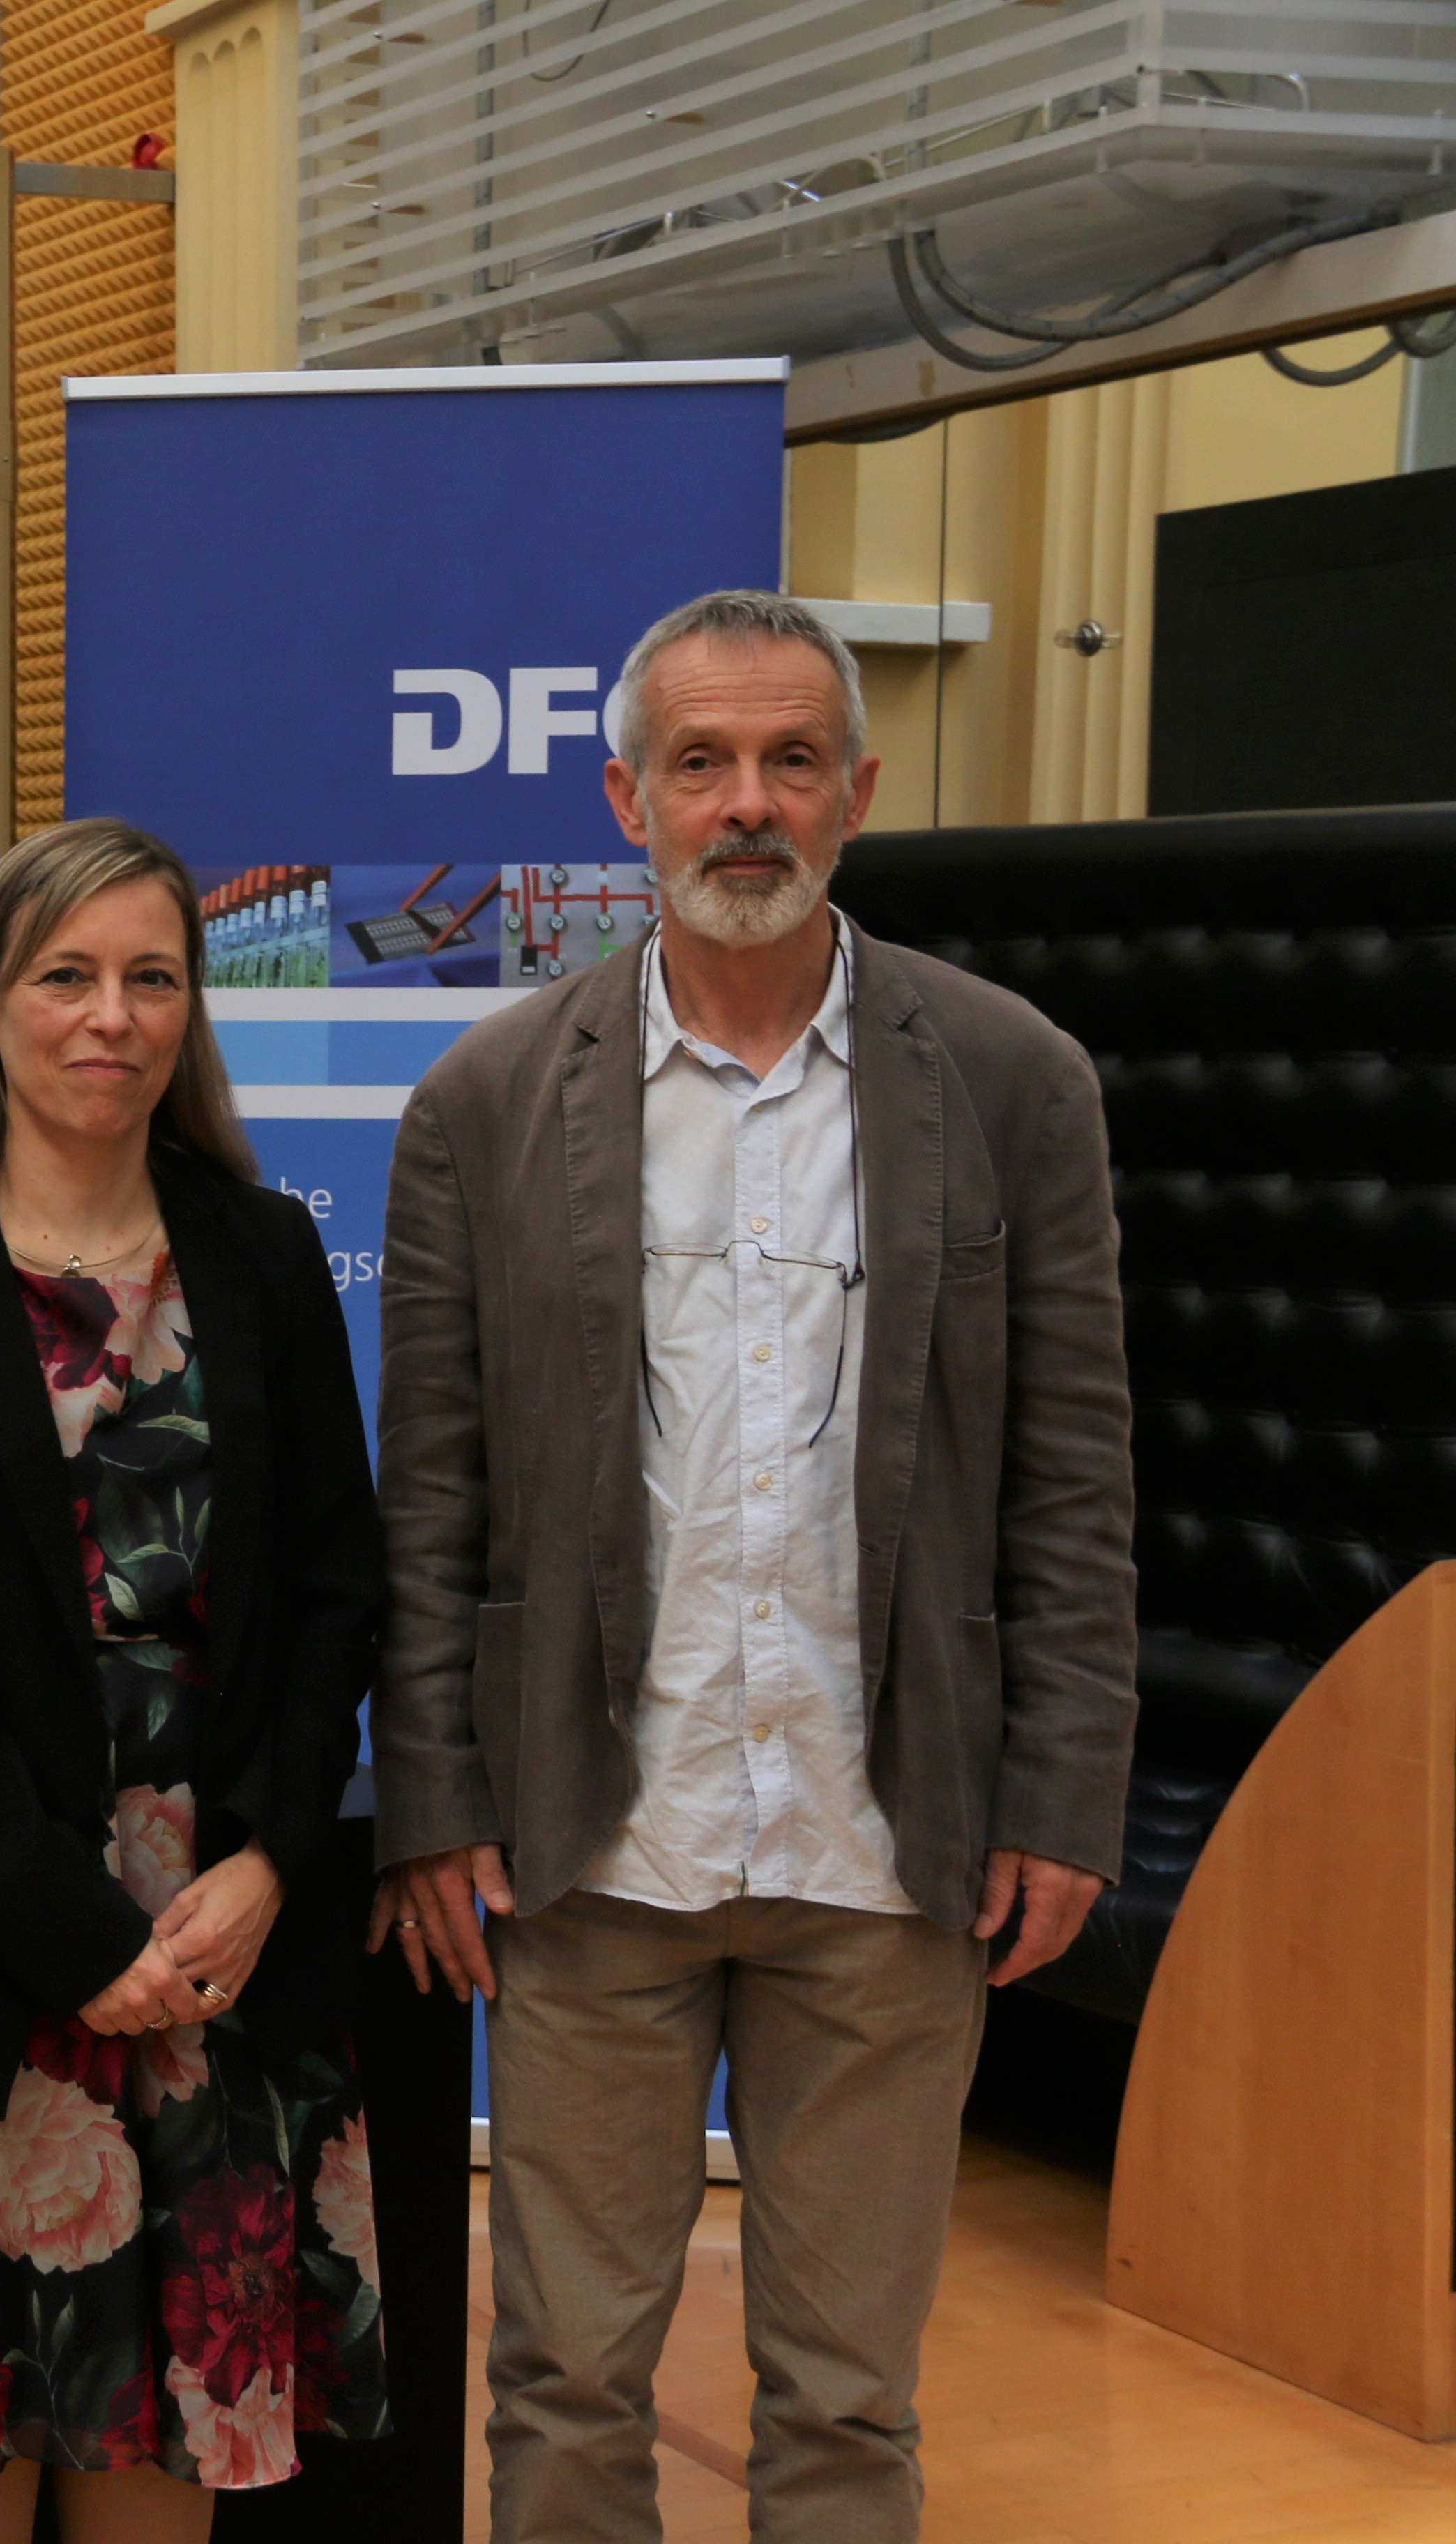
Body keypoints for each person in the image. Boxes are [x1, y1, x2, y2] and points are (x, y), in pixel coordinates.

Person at [367, 589, 1138, 2544]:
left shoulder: (1012, 1077)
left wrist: (1062, 1794)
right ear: (625, 796)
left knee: (849, 2406)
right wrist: (433, 1802)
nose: (747, 805)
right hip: (589, 1847)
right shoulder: (483, 1101)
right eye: (700, 763)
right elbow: (433, 1493)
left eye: (792, 759)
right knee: (558, 2381)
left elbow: (1071, 1479)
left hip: (895, 1847)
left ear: (859, 790)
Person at [0, 819, 390, 2541]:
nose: (110, 1015)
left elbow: (339, 1591)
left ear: (191, 1009)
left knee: (159, 2472)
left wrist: (266, 1859)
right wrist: (79, 1941)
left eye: (151, 977)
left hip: (218, 1962)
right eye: (68, 976)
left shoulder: (261, 1261)